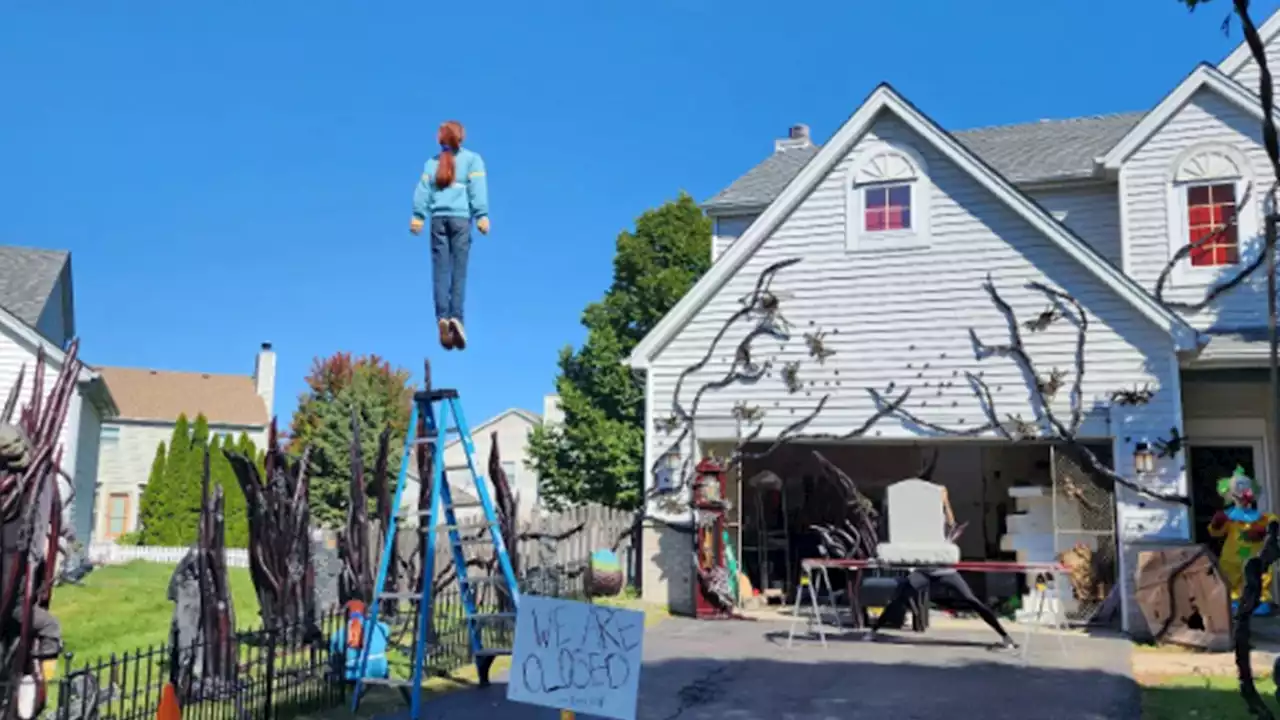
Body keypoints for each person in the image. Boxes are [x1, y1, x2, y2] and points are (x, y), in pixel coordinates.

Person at [866, 487, 1018, 650]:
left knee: (971, 600)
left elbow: (952, 524)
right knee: (900, 598)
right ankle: (873, 631)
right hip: (924, 570)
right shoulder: (920, 525)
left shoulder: (943, 521)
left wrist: (945, 501)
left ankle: (1005, 636)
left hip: (946, 571)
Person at [410, 120, 490, 351]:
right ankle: (457, 317)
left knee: (440, 271)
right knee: (459, 271)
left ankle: (442, 318)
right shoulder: (472, 160)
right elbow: (477, 189)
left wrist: (418, 217)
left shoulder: (431, 163)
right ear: (461, 138)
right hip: (461, 220)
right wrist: (482, 216)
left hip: (437, 220)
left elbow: (423, 191)